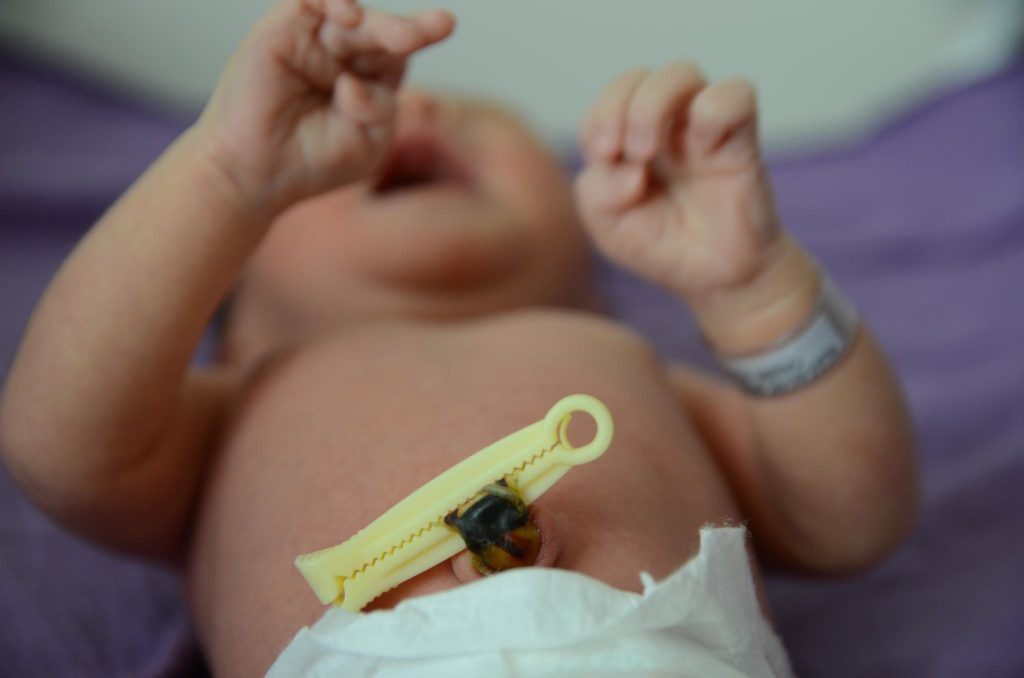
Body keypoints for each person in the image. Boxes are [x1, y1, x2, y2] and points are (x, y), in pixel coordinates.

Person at [0, 0, 918, 674]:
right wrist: (224, 175)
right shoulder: (230, 408)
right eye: (341, 137)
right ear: (233, 305)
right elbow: (55, 439)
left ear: (581, 255)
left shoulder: (624, 365)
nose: (421, 110)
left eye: (487, 122)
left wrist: (757, 294)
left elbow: (848, 515)